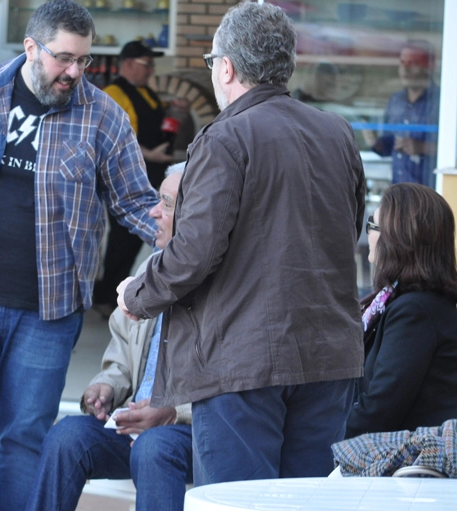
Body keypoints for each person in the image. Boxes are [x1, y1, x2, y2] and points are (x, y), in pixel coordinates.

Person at [117, 2, 366, 486]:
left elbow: (192, 254)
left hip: (242, 363)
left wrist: (136, 295)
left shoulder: (226, 137)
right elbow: (348, 231)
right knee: (306, 502)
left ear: (225, 66)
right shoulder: (338, 133)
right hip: (328, 357)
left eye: (213, 63)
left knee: (239, 500)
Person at [0, 1, 159, 509]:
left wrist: (195, 242)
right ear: (30, 47)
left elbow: (138, 203)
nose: (74, 71)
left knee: (25, 445)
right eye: (64, 58)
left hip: (46, 318)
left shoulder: (104, 118)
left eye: (85, 61)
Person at [26, 164, 192, 511]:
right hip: (133, 426)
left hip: (188, 432)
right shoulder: (150, 270)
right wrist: (106, 388)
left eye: (166, 203)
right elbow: (121, 359)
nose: (154, 211)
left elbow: (235, 389)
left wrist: (171, 412)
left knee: (154, 449)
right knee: (67, 436)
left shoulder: (226, 287)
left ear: (197, 213)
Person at [346, 183, 457, 439]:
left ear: (397, 239)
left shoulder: (415, 311)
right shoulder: (406, 302)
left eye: (372, 225)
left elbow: (381, 408)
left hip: (413, 468)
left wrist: (321, 437)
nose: (368, 235)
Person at [93, 40, 187, 315]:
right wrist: (151, 154)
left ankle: (117, 292)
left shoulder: (146, 92)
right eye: (147, 64)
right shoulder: (114, 93)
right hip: (127, 179)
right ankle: (107, 295)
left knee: (133, 243)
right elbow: (119, 136)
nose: (151, 70)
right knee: (122, 240)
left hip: (152, 177)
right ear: (128, 64)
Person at [363, 40, 440, 188]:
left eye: (414, 63)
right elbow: (389, 147)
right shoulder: (395, 100)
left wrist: (423, 147)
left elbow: (452, 150)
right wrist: (375, 142)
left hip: (431, 195)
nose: (406, 69)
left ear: (428, 67)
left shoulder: (442, 102)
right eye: (403, 62)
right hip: (398, 193)